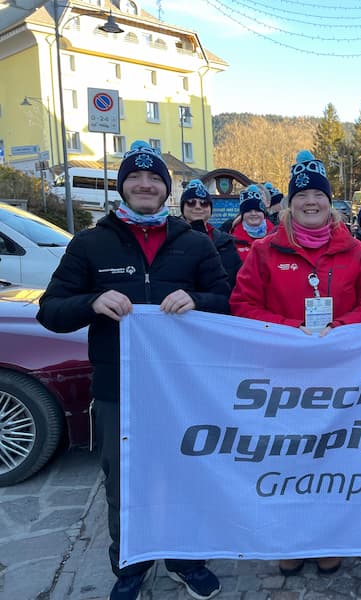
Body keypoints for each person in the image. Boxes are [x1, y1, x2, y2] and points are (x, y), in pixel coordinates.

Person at [36, 141, 229, 600]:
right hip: (118, 388)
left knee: (186, 474)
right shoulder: (90, 243)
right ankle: (131, 566)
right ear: (122, 186)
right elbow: (51, 311)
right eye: (136, 178)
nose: (145, 185)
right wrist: (92, 301)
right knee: (125, 483)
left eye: (155, 179)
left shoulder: (193, 243)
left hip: (183, 389)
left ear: (166, 188)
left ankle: (185, 558)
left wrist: (198, 300)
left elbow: (228, 302)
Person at [230, 151, 361, 574]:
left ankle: (328, 536)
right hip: (282, 371)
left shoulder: (356, 252)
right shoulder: (264, 251)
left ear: (330, 203)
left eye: (318, 195)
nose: (311, 202)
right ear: (290, 203)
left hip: (341, 372)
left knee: (334, 455)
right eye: (302, 196)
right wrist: (290, 330)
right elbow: (242, 304)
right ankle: (291, 537)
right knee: (287, 456)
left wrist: (339, 328)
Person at [181, 179, 242, 291]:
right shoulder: (170, 238)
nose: (198, 207)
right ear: (183, 207)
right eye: (191, 202)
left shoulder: (226, 242)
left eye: (204, 203)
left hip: (221, 300)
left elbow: (239, 281)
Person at [231, 184, 274, 258]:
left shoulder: (275, 234)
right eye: (248, 211)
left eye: (257, 210)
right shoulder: (232, 238)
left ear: (263, 213)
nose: (253, 214)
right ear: (242, 214)